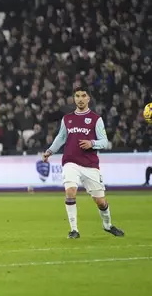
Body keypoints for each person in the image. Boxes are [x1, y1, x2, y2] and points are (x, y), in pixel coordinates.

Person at [42, 86, 125, 239]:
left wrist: (92, 143)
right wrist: (50, 151)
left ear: (88, 98)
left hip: (90, 164)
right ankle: (74, 230)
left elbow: (105, 142)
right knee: (70, 192)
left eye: (83, 96)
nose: (80, 99)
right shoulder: (67, 119)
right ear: (74, 99)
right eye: (77, 96)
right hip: (70, 161)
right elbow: (61, 138)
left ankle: (107, 225)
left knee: (100, 201)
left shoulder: (96, 119)